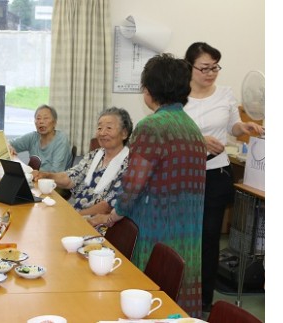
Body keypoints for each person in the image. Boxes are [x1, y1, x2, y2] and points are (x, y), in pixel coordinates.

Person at [107, 53, 207, 318]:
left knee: (149, 295)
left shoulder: (151, 126)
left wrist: (115, 214)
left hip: (156, 226)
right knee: (178, 292)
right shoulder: (192, 129)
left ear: (149, 90)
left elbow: (133, 183)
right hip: (187, 229)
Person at [183, 42, 265, 313]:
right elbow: (171, 131)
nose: (210, 73)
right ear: (190, 67)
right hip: (183, 176)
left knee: (208, 240)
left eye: (215, 67)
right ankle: (177, 288)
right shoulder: (178, 97)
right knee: (184, 236)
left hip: (215, 175)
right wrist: (198, 140)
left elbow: (233, 126)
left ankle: (203, 301)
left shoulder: (226, 94)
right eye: (204, 68)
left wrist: (244, 126)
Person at [33, 107, 132, 232]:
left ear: (124, 133)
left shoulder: (128, 164)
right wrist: (46, 175)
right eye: (100, 128)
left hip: (99, 226)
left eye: (109, 128)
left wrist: (74, 216)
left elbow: (106, 206)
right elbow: (70, 178)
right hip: (79, 216)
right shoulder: (94, 155)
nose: (102, 133)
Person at [9, 104, 72, 172]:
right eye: (38, 118)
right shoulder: (33, 137)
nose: (41, 122)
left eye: (46, 118)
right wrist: (9, 147)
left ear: (54, 123)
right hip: (34, 179)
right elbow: (9, 143)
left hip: (53, 181)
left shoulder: (61, 140)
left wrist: (27, 171)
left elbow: (56, 172)